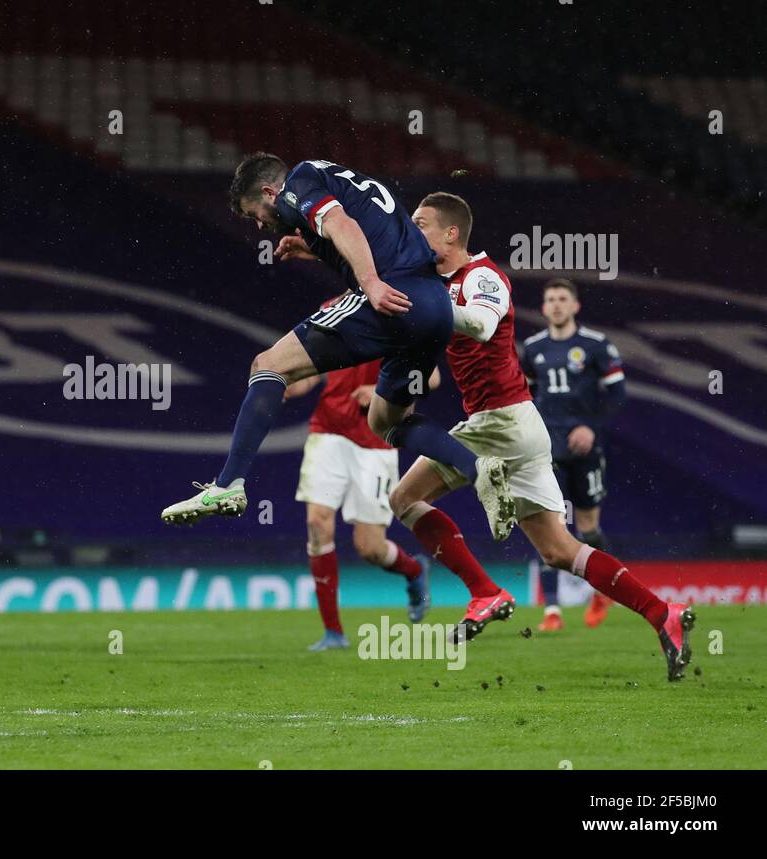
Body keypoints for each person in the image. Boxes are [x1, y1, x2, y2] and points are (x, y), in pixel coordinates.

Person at [387, 193, 692, 680]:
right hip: (521, 426)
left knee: (403, 497)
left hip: (498, 423)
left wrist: (432, 306)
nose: (410, 232)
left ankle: (485, 591)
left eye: (420, 224)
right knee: (558, 550)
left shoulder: (482, 278)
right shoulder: (437, 283)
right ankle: (663, 614)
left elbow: (482, 324)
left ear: (451, 234)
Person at [160, 154, 516, 544]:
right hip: (434, 309)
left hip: (391, 297)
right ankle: (479, 469)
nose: (261, 224)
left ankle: (228, 483)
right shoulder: (337, 179)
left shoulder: (298, 183)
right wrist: (313, 247)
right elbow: (378, 235)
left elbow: (341, 224)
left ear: (270, 191)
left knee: (269, 364)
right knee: (387, 421)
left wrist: (371, 283)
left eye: (256, 214)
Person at [286, 349, 436, 650]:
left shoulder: (399, 312)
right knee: (317, 522)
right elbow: (313, 367)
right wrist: (288, 384)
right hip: (328, 432)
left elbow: (429, 379)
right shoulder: (331, 309)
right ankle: (334, 633)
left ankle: (414, 570)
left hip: (377, 441)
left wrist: (385, 392)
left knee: (370, 548)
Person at [521, 279, 626, 631]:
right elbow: (525, 398)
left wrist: (591, 426)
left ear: (575, 306)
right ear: (543, 307)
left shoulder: (596, 346)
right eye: (550, 299)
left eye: (563, 299)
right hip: (546, 450)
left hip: (585, 448)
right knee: (550, 527)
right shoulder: (533, 348)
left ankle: (604, 591)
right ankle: (552, 611)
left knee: (588, 528)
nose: (556, 305)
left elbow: (616, 394)